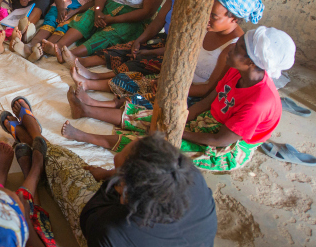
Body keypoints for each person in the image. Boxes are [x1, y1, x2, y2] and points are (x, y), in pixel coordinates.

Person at [0, 97, 217, 247]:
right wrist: (106, 174)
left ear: (123, 193)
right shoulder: (189, 177)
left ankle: (33, 137)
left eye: (117, 171)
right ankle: (33, 139)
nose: (110, 166)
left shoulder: (112, 234)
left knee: (65, 170)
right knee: (76, 168)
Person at [62, 26, 296, 172]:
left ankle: (90, 138)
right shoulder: (237, 70)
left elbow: (221, 139)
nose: (234, 47)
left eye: (241, 48)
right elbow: (208, 102)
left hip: (226, 146)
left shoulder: (259, 102)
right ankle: (87, 111)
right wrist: (179, 119)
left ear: (253, 63)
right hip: (210, 119)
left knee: (155, 144)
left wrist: (179, 133)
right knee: (157, 118)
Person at [68, 0, 265, 109]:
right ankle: (89, 84)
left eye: (213, 16)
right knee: (137, 78)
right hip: (179, 78)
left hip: (190, 92)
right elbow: (180, 50)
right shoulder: (208, 29)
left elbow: (208, 89)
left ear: (235, 19)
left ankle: (92, 108)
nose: (207, 18)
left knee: (146, 97)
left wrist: (170, 85)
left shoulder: (233, 48)